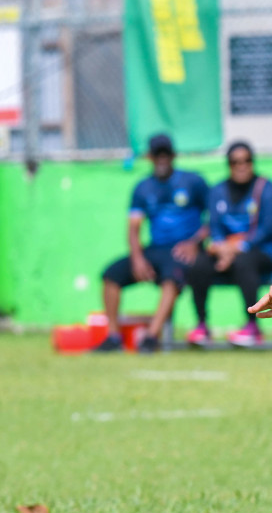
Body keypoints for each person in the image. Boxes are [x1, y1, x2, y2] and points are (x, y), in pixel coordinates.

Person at [95, 134, 208, 353]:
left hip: (181, 251)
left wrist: (195, 243)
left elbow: (214, 219)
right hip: (155, 249)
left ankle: (150, 337)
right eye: (157, 155)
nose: (162, 159)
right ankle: (114, 337)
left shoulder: (193, 182)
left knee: (171, 280)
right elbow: (134, 228)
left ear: (173, 155)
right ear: (150, 157)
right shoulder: (143, 188)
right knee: (110, 275)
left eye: (166, 154)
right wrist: (137, 259)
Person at [185, 141, 272, 348]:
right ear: (229, 165)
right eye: (235, 162)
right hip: (225, 254)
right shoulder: (217, 191)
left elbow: (266, 229)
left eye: (246, 161)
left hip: (259, 253)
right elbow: (214, 226)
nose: (241, 166)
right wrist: (222, 248)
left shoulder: (265, 189)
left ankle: (252, 326)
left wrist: (237, 248)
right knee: (198, 265)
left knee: (244, 262)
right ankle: (202, 325)